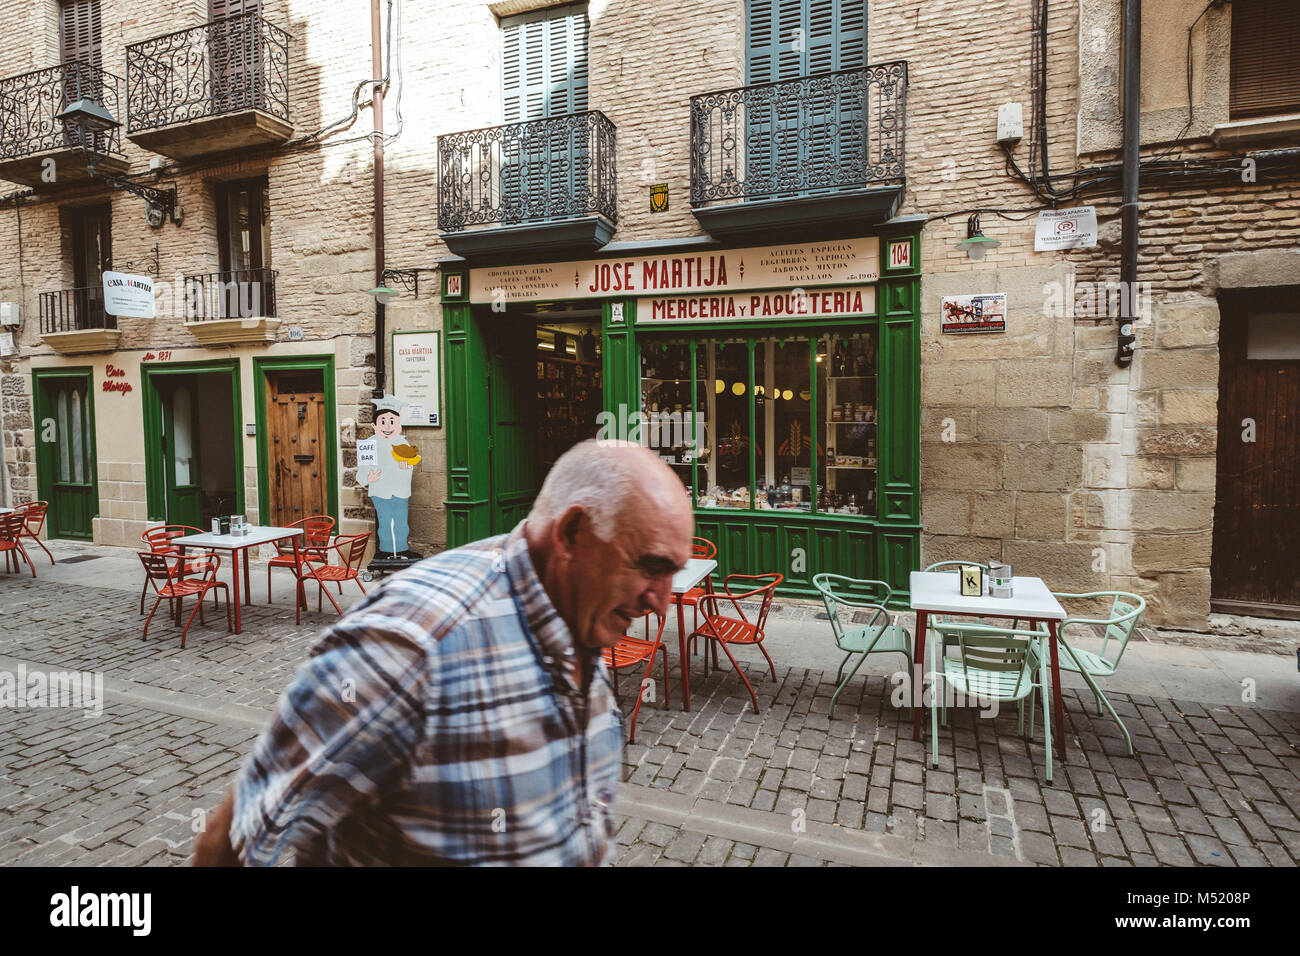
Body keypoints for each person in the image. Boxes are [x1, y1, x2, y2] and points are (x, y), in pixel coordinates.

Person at [193, 440, 693, 866]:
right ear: (572, 533)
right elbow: (236, 836)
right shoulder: (412, 646)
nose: (662, 600)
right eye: (649, 566)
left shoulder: (579, 615)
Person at [366, 394, 420, 559]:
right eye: (383, 422)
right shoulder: (370, 443)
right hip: (380, 491)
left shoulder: (404, 444)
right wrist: (368, 479)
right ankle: (386, 550)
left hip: (400, 490)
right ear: (375, 425)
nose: (387, 426)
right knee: (385, 521)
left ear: (399, 425)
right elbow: (363, 467)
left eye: (392, 422)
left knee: (401, 521)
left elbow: (411, 463)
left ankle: (402, 549)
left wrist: (406, 466)